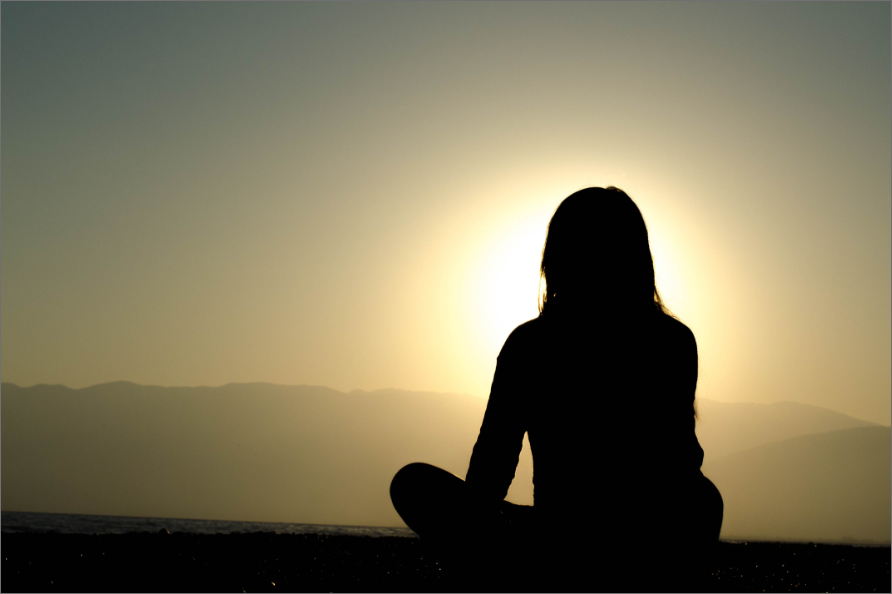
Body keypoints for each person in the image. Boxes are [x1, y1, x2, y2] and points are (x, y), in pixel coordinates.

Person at [390, 187, 723, 591]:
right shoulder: (672, 340)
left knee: (413, 484)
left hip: (566, 542)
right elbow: (681, 463)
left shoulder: (530, 345)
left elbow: (490, 470)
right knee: (704, 499)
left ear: (556, 258)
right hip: (632, 542)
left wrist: (478, 535)